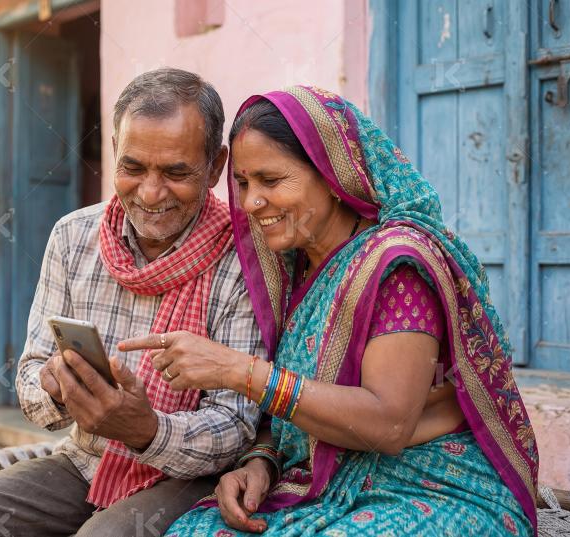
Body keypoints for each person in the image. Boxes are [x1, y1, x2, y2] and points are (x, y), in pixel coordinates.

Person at [122, 85, 538, 536]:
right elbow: (289, 415)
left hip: (430, 486)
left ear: (332, 173)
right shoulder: (293, 268)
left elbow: (388, 423)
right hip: (325, 484)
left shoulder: (395, 265)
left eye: (271, 180)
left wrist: (239, 372)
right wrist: (260, 462)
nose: (251, 203)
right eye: (242, 183)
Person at [0, 68, 265, 537]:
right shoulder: (73, 237)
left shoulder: (245, 257)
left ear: (216, 166)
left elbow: (234, 425)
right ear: (115, 151)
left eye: (177, 172)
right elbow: (31, 377)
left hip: (193, 476)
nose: (152, 193)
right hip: (86, 460)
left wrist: (147, 429)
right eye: (134, 168)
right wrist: (59, 387)